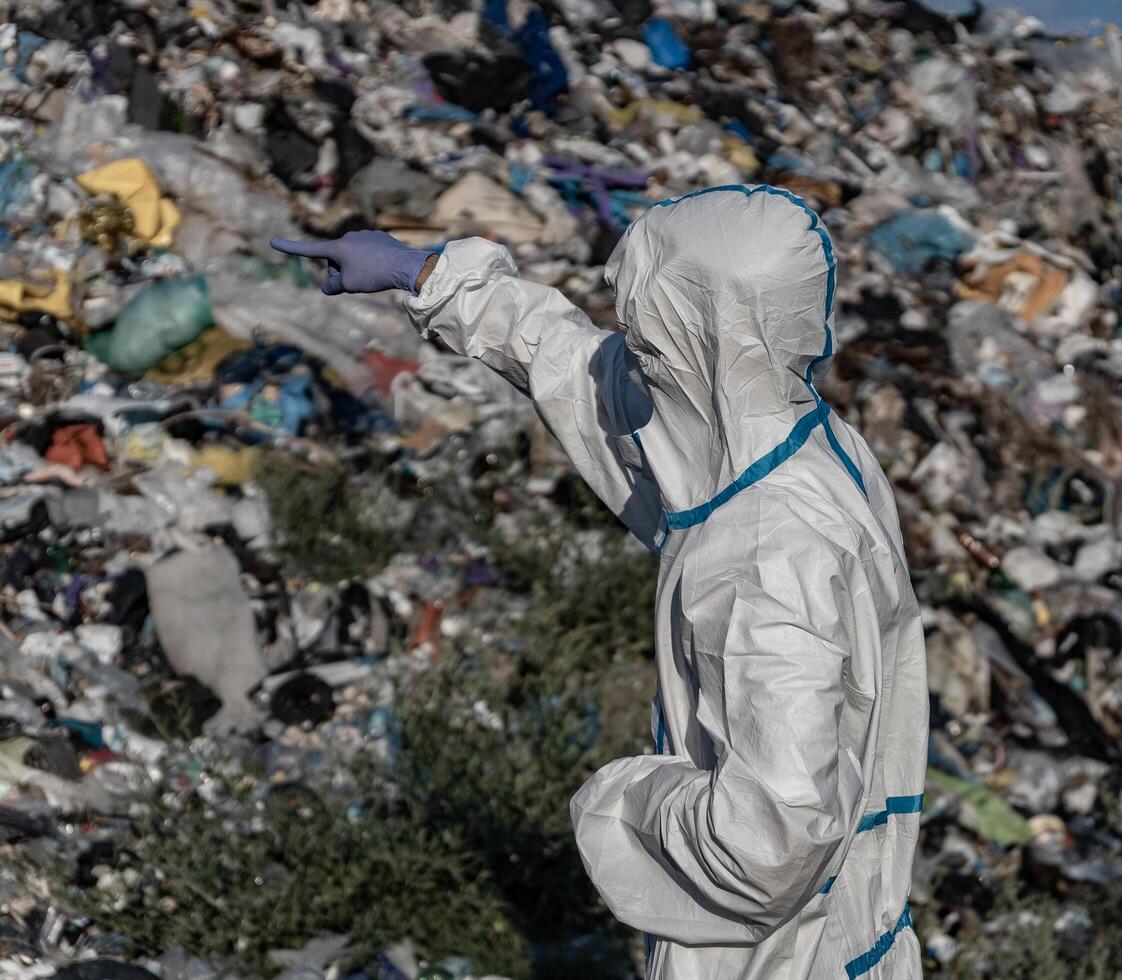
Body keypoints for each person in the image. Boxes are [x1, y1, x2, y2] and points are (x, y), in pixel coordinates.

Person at [271, 184, 928, 979]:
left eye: (648, 335)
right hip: (850, 935)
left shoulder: (769, 553)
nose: (636, 351)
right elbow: (588, 379)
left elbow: (770, 838)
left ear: (698, 334)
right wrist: (429, 276)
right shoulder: (795, 440)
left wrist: (625, 799)